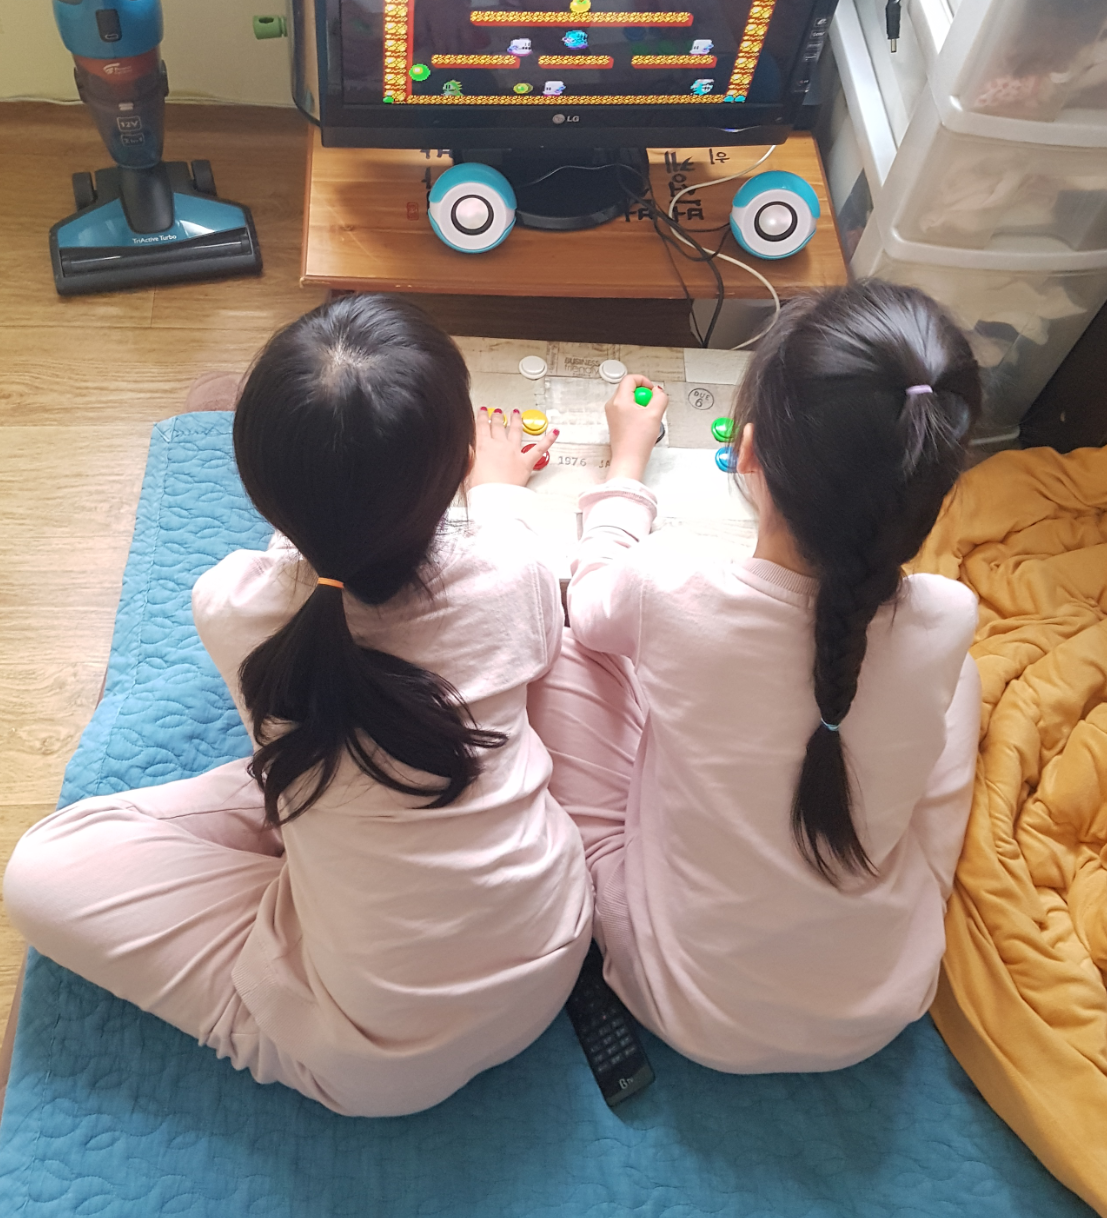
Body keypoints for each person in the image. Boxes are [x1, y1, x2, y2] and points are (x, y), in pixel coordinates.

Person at [4, 296, 592, 1115]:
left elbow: (309, 556)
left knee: (40, 867)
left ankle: (305, 877)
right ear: (459, 463)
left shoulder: (230, 606)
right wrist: (495, 489)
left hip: (380, 1060)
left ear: (256, 493)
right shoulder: (515, 575)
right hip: (551, 950)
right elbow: (509, 544)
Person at [528, 279, 984, 1073]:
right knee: (960, 680)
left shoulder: (669, 587)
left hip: (683, 1000)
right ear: (933, 496)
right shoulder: (948, 613)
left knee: (563, 653)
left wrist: (627, 463)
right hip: (880, 1002)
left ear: (746, 454)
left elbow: (590, 600)